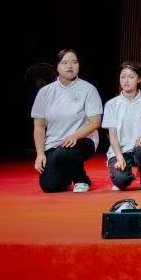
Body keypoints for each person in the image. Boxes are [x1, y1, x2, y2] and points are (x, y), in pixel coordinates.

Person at [30, 50, 103, 193]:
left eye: (74, 62)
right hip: (54, 144)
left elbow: (95, 122)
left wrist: (75, 136)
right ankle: (66, 174)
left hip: (83, 139)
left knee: (64, 154)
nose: (70, 66)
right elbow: (39, 126)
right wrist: (40, 154)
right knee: (50, 186)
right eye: (64, 63)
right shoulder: (45, 92)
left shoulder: (88, 89)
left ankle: (81, 179)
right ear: (57, 66)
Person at [101, 62, 141, 191]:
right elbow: (113, 136)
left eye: (131, 77)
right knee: (120, 181)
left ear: (139, 79)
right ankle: (127, 175)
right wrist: (119, 157)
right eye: (123, 77)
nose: (126, 80)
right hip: (120, 150)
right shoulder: (111, 104)